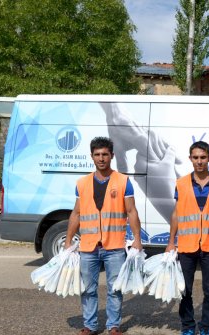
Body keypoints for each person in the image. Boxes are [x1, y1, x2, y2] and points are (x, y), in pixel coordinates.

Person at [65, 137, 143, 335]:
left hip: (114, 246)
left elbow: (132, 211)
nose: (101, 158)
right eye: (97, 154)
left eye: (105, 154)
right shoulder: (82, 184)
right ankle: (90, 326)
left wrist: (137, 240)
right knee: (88, 289)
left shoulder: (124, 181)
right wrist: (67, 241)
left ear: (112, 156)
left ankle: (113, 326)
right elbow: (76, 214)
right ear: (91, 156)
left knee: (115, 289)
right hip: (89, 246)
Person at [166, 141, 209, 335]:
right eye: (195, 158)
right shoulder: (181, 183)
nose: (199, 162)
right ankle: (187, 326)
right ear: (190, 159)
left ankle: (206, 327)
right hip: (187, 245)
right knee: (184, 289)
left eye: (203, 157)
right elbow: (176, 214)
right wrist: (171, 242)